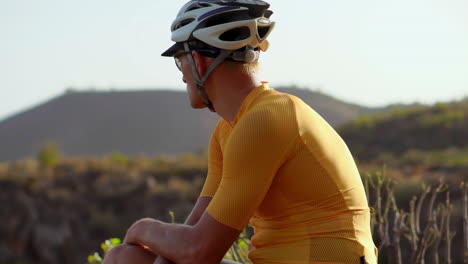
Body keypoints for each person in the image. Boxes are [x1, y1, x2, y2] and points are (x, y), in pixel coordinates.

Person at [103, 0, 378, 263]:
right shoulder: (229, 130)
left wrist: (142, 228)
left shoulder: (266, 119)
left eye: (179, 59)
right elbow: (192, 238)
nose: (181, 73)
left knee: (126, 257)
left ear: (198, 61)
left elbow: (200, 252)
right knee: (124, 258)